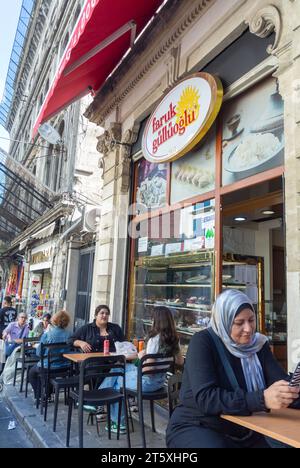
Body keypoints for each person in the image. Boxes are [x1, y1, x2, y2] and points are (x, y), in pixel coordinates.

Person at [166, 289, 300, 449]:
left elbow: (280, 382)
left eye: (251, 320)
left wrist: (293, 388)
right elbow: (207, 398)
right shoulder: (203, 342)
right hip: (199, 425)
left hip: (245, 429)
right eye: (239, 323)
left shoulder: (258, 344)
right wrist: (262, 399)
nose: (248, 328)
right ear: (224, 321)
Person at [99, 306, 184, 434]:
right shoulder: (174, 339)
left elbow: (148, 369)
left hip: (147, 383)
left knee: (117, 381)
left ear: (157, 320)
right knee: (120, 368)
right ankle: (101, 394)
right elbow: (180, 362)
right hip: (161, 382)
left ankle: (118, 422)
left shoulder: (154, 340)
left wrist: (142, 356)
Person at [28, 310, 71, 399]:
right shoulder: (70, 334)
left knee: (32, 373)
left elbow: (39, 353)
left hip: (48, 367)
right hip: (65, 367)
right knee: (42, 371)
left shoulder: (47, 335)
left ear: (54, 320)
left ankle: (40, 396)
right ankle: (48, 394)